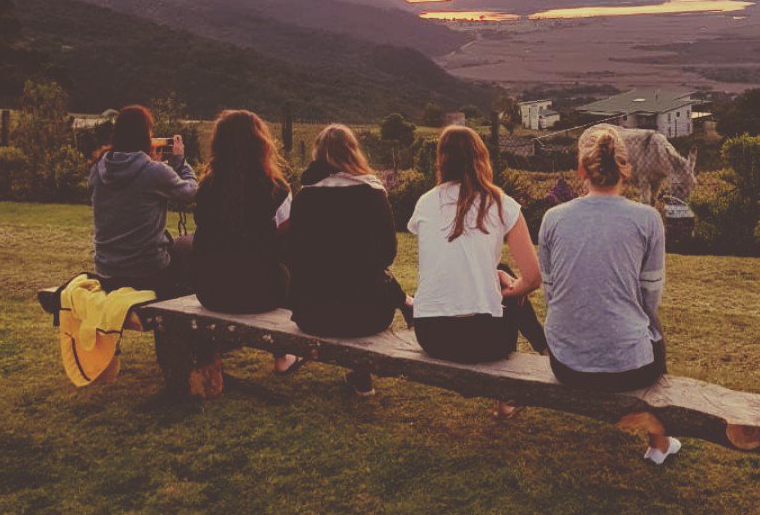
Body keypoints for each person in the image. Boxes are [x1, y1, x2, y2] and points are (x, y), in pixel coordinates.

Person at [538, 125, 681, 465]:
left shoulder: (552, 218)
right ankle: (659, 446)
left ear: (581, 171)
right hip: (631, 368)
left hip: (566, 363)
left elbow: (550, 292)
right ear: (625, 169)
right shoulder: (648, 219)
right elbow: (650, 299)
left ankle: (659, 441)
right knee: (655, 334)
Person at [408, 125, 546, 419]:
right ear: (481, 157)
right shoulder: (500, 203)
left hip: (430, 334)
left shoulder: (424, 203)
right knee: (505, 274)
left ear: (441, 160)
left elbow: (450, 262)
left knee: (500, 271)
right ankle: (511, 392)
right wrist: (508, 291)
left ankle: (542, 351)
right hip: (483, 340)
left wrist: (495, 280)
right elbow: (533, 278)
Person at [288, 124, 412, 397]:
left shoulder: (305, 196)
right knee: (366, 280)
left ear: (317, 156)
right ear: (353, 153)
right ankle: (360, 372)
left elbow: (293, 253)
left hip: (312, 314)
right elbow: (387, 254)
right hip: (368, 315)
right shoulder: (372, 192)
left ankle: (360, 374)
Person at [193, 110, 301, 376]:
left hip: (210, 292)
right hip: (261, 293)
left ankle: (210, 351)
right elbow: (288, 243)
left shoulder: (205, 186)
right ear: (261, 142)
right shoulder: (276, 188)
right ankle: (282, 355)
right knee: (289, 262)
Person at [88, 104, 196, 298]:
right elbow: (191, 193)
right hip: (147, 274)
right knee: (191, 243)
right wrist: (180, 162)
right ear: (146, 135)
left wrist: (149, 162)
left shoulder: (98, 167)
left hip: (106, 273)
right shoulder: (154, 172)